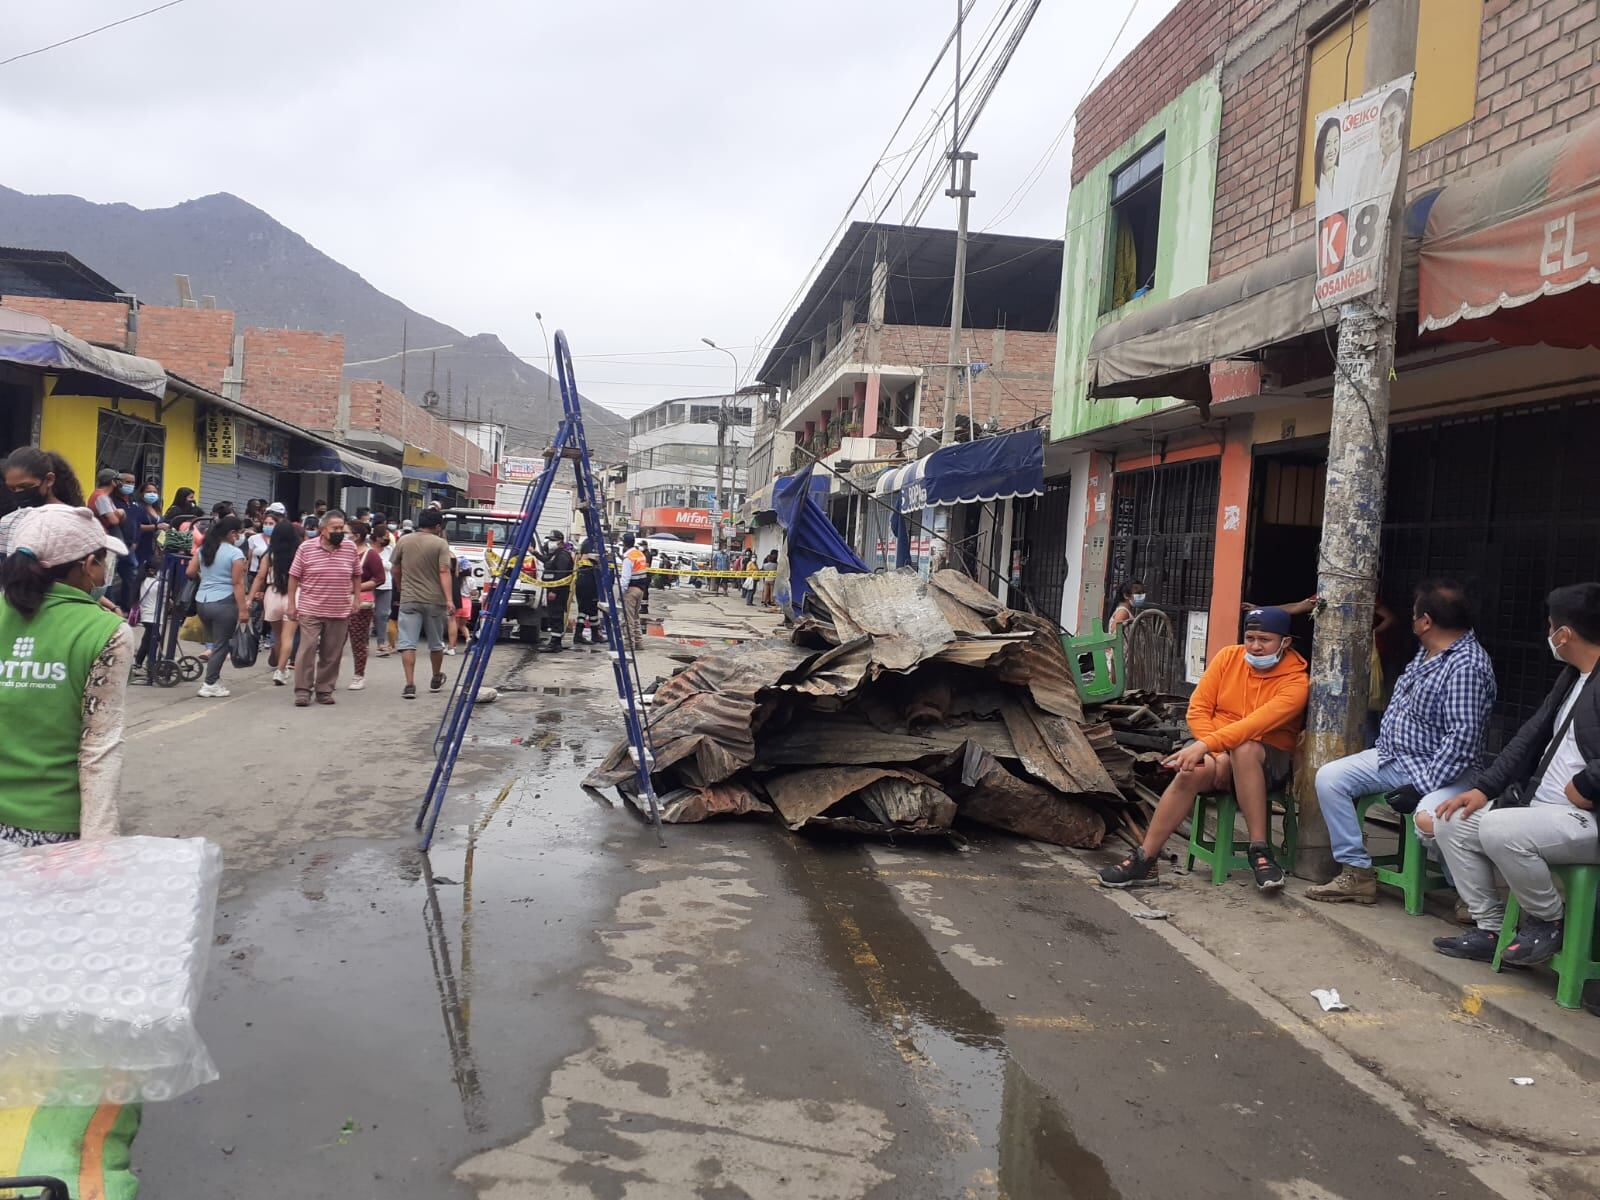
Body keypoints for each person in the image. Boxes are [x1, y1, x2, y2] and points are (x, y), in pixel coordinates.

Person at [1426, 584, 1600, 966]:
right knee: (1452, 820)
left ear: (1564, 634)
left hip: (1586, 819)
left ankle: (1548, 920)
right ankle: (1490, 928)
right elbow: (1528, 737)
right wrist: (1483, 788)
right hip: (1542, 811)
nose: (1548, 634)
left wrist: (1587, 785)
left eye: (1550, 626)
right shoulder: (1572, 676)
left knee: (1500, 829)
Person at [1305, 581, 1496, 904]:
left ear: (1426, 621)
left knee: (1434, 816)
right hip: (1393, 757)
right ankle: (1357, 872)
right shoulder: (1429, 651)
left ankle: (1469, 896)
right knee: (1330, 778)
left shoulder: (1466, 666)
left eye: (1414, 614)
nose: (1412, 620)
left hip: (1443, 771)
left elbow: (1461, 740)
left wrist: (1420, 786)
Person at [1099, 606, 1309, 891]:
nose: (1255, 646)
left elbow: (1253, 725)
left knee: (1244, 748)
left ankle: (1260, 850)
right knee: (1189, 772)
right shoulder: (1227, 658)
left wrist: (1210, 747)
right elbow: (1198, 709)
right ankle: (1145, 860)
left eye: (1265, 640)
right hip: (1217, 753)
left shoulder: (1297, 682)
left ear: (1285, 642)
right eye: (1250, 638)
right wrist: (1217, 753)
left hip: (1267, 761)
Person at [0, 505, 132, 846]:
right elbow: (100, 744)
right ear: (87, 565)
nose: (104, 572)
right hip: (52, 827)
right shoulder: (107, 631)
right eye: (102, 562)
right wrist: (99, 846)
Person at [286, 508, 361, 707]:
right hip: (311, 609)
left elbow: (356, 574)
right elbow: (294, 576)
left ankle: (325, 690)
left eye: (341, 528)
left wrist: (357, 599)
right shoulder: (306, 548)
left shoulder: (350, 548)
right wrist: (291, 604)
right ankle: (303, 691)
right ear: (323, 529)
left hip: (339, 609)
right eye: (334, 528)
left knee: (332, 653)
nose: (339, 532)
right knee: (307, 650)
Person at [389, 506, 454, 700]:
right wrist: (449, 599)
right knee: (435, 642)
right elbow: (444, 571)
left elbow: (395, 569)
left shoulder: (404, 540)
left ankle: (410, 685)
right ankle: (436, 677)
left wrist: (400, 587)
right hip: (435, 600)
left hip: (409, 598)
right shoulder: (440, 544)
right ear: (438, 526)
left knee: (408, 642)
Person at [186, 514, 248, 698]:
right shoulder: (235, 554)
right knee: (221, 646)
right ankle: (210, 684)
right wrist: (243, 610)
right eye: (238, 533)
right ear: (231, 533)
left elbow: (190, 571)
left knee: (215, 643)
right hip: (224, 602)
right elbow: (238, 583)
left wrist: (206, 578)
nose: (239, 537)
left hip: (202, 601)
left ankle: (214, 679)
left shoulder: (204, 549)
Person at [0, 447, 85, 556]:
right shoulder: (8, 522)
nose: (18, 492)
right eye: (12, 488)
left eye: (25, 486)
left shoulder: (72, 520)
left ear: (49, 480)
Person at [251, 518, 301, 686]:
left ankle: (279, 662)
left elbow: (260, 577)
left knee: (277, 636)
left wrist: (250, 597)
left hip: (272, 594)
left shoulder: (270, 554)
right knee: (288, 637)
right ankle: (280, 670)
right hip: (293, 595)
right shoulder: (299, 553)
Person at [344, 519, 385, 690]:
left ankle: (358, 675)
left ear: (356, 536)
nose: (342, 535)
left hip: (360, 604)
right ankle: (328, 676)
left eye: (345, 532)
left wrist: (356, 587)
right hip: (336, 601)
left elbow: (380, 578)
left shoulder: (370, 555)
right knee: (332, 642)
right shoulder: (339, 552)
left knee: (358, 641)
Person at [536, 529, 574, 653]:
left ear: (560, 542)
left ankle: (555, 644)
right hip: (552, 588)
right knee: (553, 615)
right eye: (550, 540)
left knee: (556, 615)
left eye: (553, 540)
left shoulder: (562, 555)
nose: (550, 543)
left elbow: (561, 574)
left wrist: (554, 591)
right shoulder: (555, 554)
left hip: (558, 590)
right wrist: (534, 553)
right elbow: (547, 561)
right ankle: (556, 642)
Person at [618, 532, 649, 648]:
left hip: (631, 591)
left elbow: (625, 579)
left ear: (624, 544)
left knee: (628, 618)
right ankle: (638, 642)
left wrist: (621, 594)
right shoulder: (640, 554)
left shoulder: (628, 558)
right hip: (641, 590)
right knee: (635, 617)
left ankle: (629, 644)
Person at [573, 536, 601, 644]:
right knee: (588, 609)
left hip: (583, 582)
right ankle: (583, 635)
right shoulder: (591, 545)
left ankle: (591, 634)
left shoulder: (586, 544)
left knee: (587, 610)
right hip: (589, 583)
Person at [372, 530, 395, 656]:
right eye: (383, 537)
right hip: (369, 585)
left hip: (386, 585)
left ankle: (381, 644)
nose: (386, 539)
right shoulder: (369, 549)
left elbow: (391, 566)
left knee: (383, 615)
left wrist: (379, 562)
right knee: (367, 614)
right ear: (377, 537)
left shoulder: (389, 550)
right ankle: (361, 643)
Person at [1314, 116, 1343, 213]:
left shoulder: (1345, 175)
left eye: (1336, 141)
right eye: (1327, 144)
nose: (1332, 150)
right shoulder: (1317, 185)